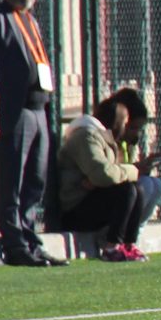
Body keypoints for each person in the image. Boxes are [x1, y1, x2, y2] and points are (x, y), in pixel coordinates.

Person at [0, 0, 62, 267]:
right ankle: (14, 243)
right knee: (11, 179)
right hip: (13, 111)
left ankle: (30, 238)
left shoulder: (31, 20)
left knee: (36, 180)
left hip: (39, 109)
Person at [56, 87, 154, 260]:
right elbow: (104, 175)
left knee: (135, 189)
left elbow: (108, 175)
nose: (126, 128)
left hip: (91, 198)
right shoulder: (87, 136)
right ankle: (110, 247)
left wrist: (112, 176)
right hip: (74, 210)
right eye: (124, 123)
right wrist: (133, 170)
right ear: (115, 122)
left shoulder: (105, 139)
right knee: (126, 190)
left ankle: (128, 244)